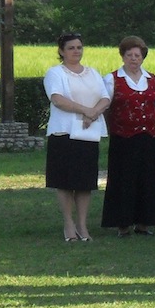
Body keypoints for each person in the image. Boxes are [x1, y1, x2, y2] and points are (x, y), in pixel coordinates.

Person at [43, 32, 109, 242]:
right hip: (64, 134)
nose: (76, 51)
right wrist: (85, 110)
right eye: (71, 48)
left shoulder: (93, 73)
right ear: (61, 51)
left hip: (88, 134)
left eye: (79, 47)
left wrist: (93, 112)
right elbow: (58, 99)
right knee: (64, 181)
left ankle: (82, 224)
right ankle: (69, 224)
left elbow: (105, 97)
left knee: (84, 182)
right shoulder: (55, 73)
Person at [101, 36, 155, 237]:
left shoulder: (152, 79)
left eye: (137, 55)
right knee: (123, 180)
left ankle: (144, 223)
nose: (133, 59)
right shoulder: (112, 79)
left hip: (147, 138)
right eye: (129, 55)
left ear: (143, 57)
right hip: (123, 138)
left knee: (147, 179)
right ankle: (123, 224)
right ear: (123, 56)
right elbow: (105, 107)